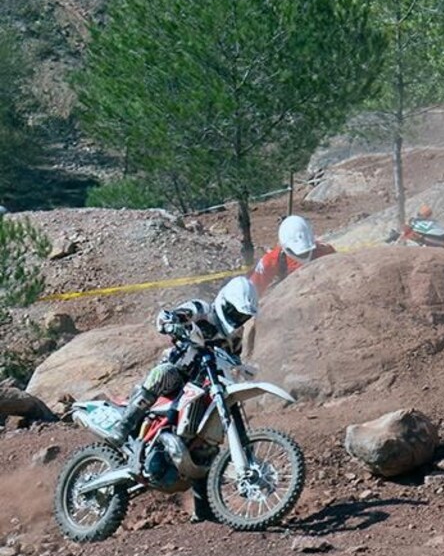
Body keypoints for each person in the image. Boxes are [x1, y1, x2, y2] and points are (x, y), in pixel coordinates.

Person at [109, 274, 259, 522]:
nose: (237, 319)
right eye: (235, 312)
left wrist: (245, 370)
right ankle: (124, 425)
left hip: (206, 387)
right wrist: (173, 323)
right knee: (163, 373)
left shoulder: (234, 337)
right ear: (225, 302)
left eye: (242, 316)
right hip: (179, 373)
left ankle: (205, 511)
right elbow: (166, 317)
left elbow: (234, 361)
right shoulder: (202, 309)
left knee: (206, 445)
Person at [249, 214, 335, 297]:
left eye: (307, 251)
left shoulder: (325, 252)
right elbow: (252, 290)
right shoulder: (271, 260)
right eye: (297, 253)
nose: (303, 255)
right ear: (284, 247)